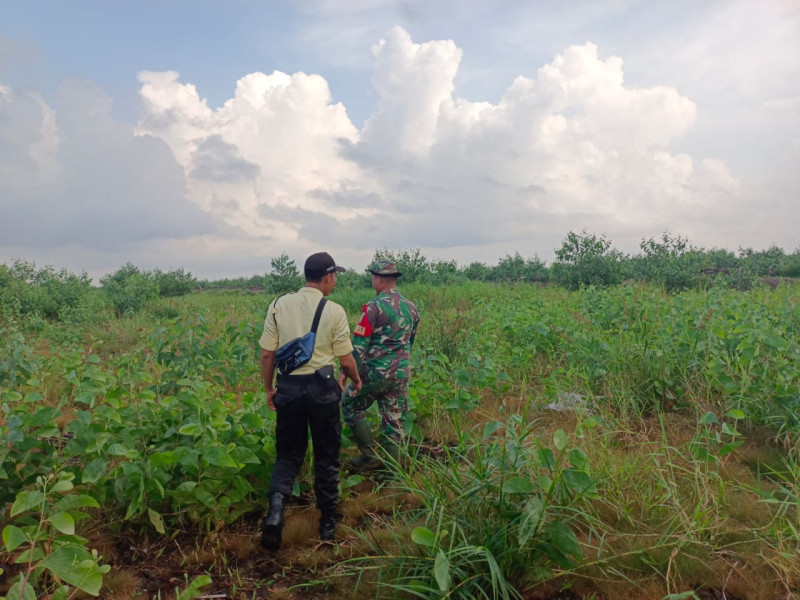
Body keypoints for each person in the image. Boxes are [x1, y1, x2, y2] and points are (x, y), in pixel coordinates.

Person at [258, 252, 362, 550]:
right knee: (327, 455)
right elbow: (345, 359)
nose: (335, 281)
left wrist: (269, 389)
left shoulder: (278, 305)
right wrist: (354, 379)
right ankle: (328, 526)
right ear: (328, 277)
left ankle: (276, 513)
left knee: (288, 454)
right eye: (335, 276)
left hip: (288, 389)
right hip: (322, 390)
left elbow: (267, 354)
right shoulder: (334, 310)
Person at [339, 260, 420, 471]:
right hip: (401, 373)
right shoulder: (411, 308)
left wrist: (346, 374)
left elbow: (358, 346)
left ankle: (368, 455)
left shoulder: (373, 307)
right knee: (394, 420)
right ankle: (393, 474)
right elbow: (409, 344)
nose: (373, 281)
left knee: (350, 404)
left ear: (380, 279)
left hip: (373, 373)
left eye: (373, 278)